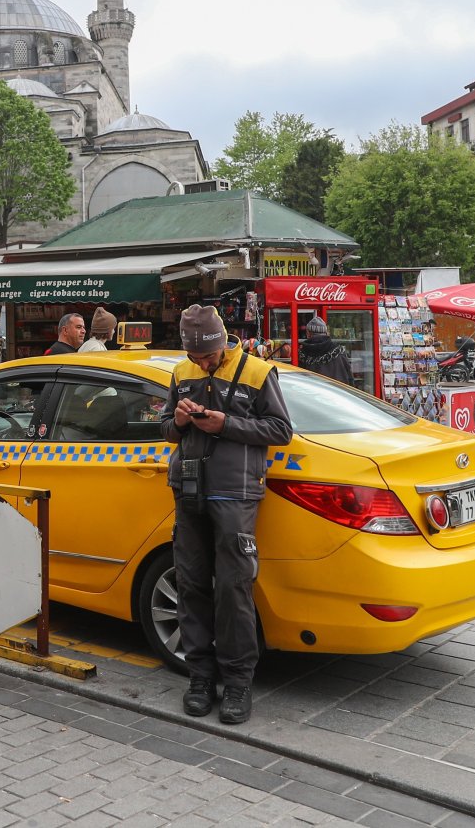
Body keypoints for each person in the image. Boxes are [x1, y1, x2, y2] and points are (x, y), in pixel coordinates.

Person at [161, 304, 293, 726]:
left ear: (222, 343)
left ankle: (238, 684)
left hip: (235, 494)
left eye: (209, 356)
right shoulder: (181, 374)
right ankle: (200, 678)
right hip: (189, 489)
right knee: (191, 583)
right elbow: (165, 429)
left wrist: (227, 425)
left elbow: (280, 430)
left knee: (234, 588)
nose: (202, 363)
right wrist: (179, 421)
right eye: (196, 357)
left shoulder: (257, 372)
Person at [297, 317, 354, 386]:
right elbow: (350, 379)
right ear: (326, 333)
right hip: (338, 394)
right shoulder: (338, 352)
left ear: (308, 333)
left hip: (312, 395)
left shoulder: (303, 354)